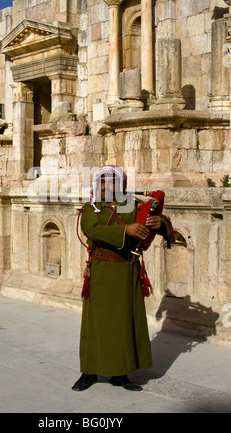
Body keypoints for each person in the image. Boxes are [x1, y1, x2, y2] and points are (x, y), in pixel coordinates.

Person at [72, 165, 173, 392]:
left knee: (125, 323)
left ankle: (121, 373)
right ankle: (88, 372)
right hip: (101, 272)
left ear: (122, 185)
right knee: (97, 323)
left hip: (127, 272)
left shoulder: (134, 206)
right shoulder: (91, 209)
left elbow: (156, 218)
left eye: (114, 181)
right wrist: (126, 230)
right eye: (104, 182)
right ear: (98, 185)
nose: (108, 186)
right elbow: (93, 230)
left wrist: (161, 225)